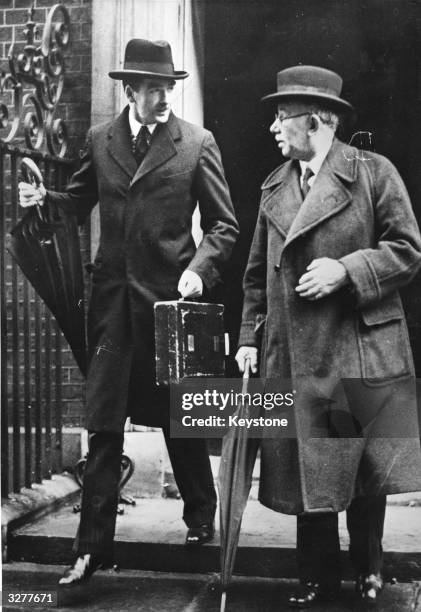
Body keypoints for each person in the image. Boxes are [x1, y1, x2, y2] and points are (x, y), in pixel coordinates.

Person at [19, 38, 239, 586]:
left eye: (169, 86)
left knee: (179, 418)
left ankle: (201, 516)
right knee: (102, 424)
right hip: (113, 309)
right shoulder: (101, 141)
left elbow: (224, 226)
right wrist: (43, 198)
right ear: (129, 89)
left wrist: (200, 270)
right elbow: (76, 202)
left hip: (170, 305)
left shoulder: (196, 143)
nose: (164, 96)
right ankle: (90, 549)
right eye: (153, 87)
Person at [236, 65, 421, 607]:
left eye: (282, 116)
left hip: (359, 346)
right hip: (296, 349)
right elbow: (254, 274)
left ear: (315, 121)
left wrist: (348, 270)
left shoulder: (373, 174)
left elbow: (407, 248)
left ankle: (369, 569)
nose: (273, 126)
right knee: (306, 469)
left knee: (362, 468)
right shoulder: (274, 186)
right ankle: (313, 577)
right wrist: (248, 336)